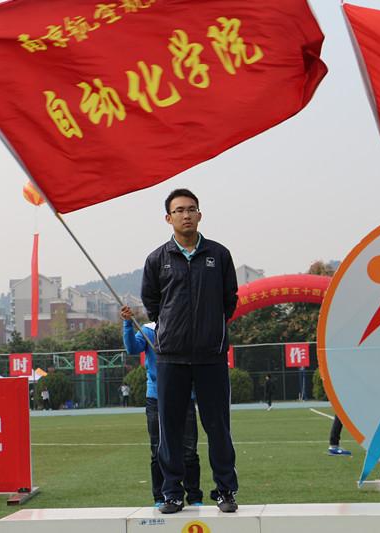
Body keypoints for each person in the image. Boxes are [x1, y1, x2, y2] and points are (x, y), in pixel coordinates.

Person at [141, 189, 239, 514]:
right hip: (171, 357)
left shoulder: (219, 255)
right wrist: (174, 330)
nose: (186, 215)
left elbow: (229, 301)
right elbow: (152, 304)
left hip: (211, 357)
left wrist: (210, 330)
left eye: (191, 209)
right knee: (170, 430)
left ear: (200, 215)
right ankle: (172, 493)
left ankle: (225, 490)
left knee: (218, 428)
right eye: (180, 210)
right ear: (168, 218)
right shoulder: (157, 260)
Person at [121, 306, 203, 507]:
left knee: (189, 449)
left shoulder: (187, 327)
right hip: (156, 397)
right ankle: (160, 497)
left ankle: (194, 496)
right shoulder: (148, 330)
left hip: (185, 395)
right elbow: (132, 348)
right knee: (157, 449)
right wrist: (128, 324)